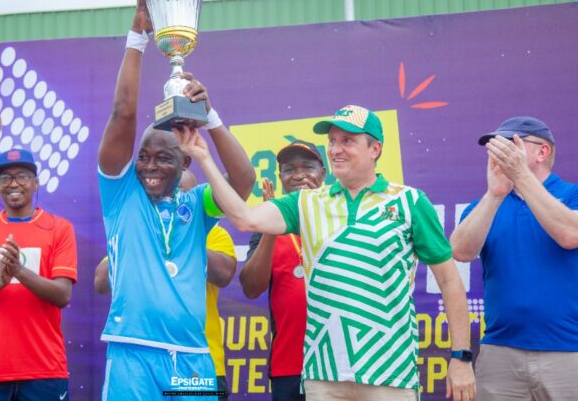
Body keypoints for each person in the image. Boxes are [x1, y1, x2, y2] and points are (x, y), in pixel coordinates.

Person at [176, 104, 476, 401]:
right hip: (323, 377)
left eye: (348, 141)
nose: (336, 149)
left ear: (375, 149)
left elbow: (449, 280)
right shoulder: (305, 203)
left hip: (390, 373)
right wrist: (204, 158)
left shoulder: (410, 202)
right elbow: (245, 218)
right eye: (332, 141)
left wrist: (460, 356)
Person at [96, 0, 254, 400]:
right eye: (143, 157)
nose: (149, 166)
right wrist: (138, 36)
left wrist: (209, 116)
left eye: (163, 158)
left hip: (193, 357)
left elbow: (243, 183)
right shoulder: (122, 197)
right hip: (133, 353)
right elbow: (123, 112)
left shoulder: (195, 204)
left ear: (184, 163)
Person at [450, 116, 578, 400]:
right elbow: (460, 250)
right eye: (495, 146)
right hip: (500, 352)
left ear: (542, 151)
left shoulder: (572, 195)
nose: (499, 152)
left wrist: (521, 177)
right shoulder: (485, 204)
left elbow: (571, 234)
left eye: (510, 144)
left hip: (569, 351)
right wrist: (495, 195)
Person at [94, 171, 238, 400]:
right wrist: (148, 245)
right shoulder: (142, 230)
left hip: (197, 357)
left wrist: (188, 237)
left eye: (184, 193)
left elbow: (224, 274)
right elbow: (100, 281)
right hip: (145, 357)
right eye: (173, 192)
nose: (175, 200)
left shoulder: (215, 234)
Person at [0, 148, 78, 401]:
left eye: (22, 176)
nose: (13, 184)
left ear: (36, 182)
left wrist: (19, 270)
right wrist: (1, 281)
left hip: (44, 369)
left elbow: (62, 295)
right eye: (5, 178)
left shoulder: (59, 228)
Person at [239, 139, 326, 401]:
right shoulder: (267, 227)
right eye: (290, 169)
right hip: (289, 367)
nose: (299, 175)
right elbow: (251, 288)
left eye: (307, 167)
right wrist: (270, 228)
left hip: (339, 365)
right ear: (280, 178)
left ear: (323, 173)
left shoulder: (341, 219)